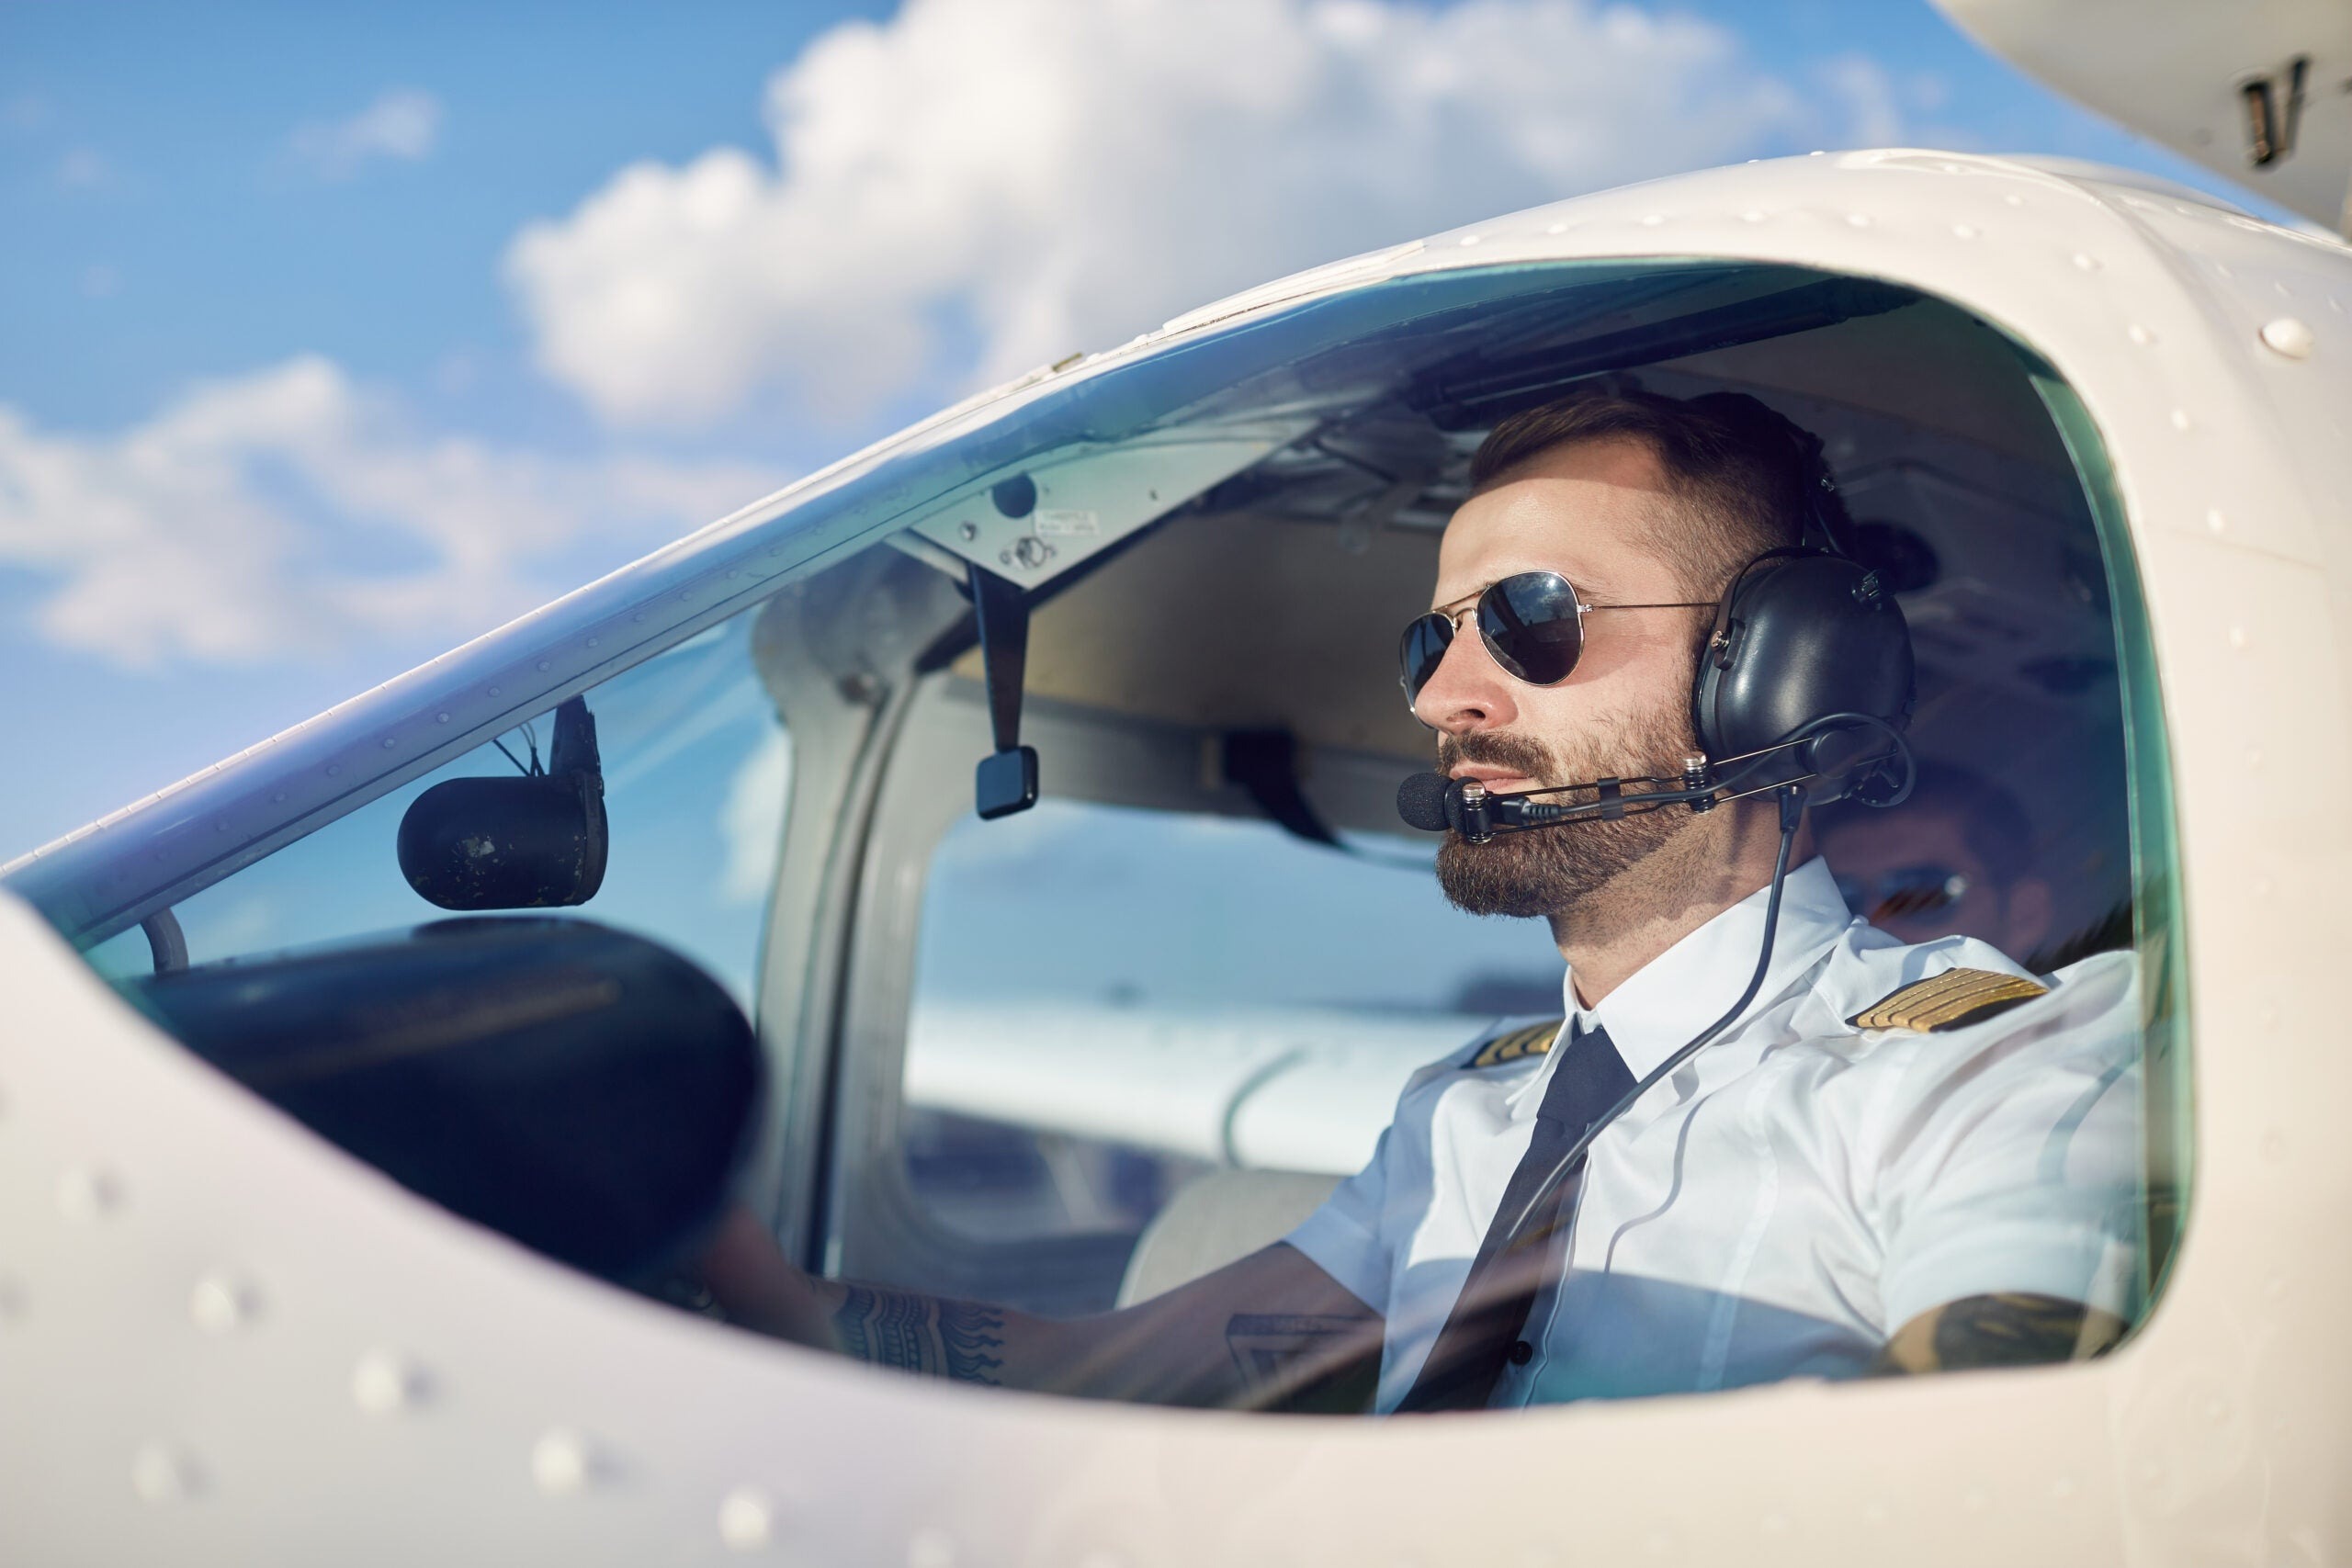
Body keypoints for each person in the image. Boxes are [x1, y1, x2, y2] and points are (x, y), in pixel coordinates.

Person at [699, 389, 2142, 1413]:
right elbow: (1102, 1373)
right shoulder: (1459, 1119)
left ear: (1771, 674)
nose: (1445, 696)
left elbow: (2022, 1476)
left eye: (1533, 620)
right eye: (1433, 641)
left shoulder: (1996, 1073)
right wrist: (709, 1270)